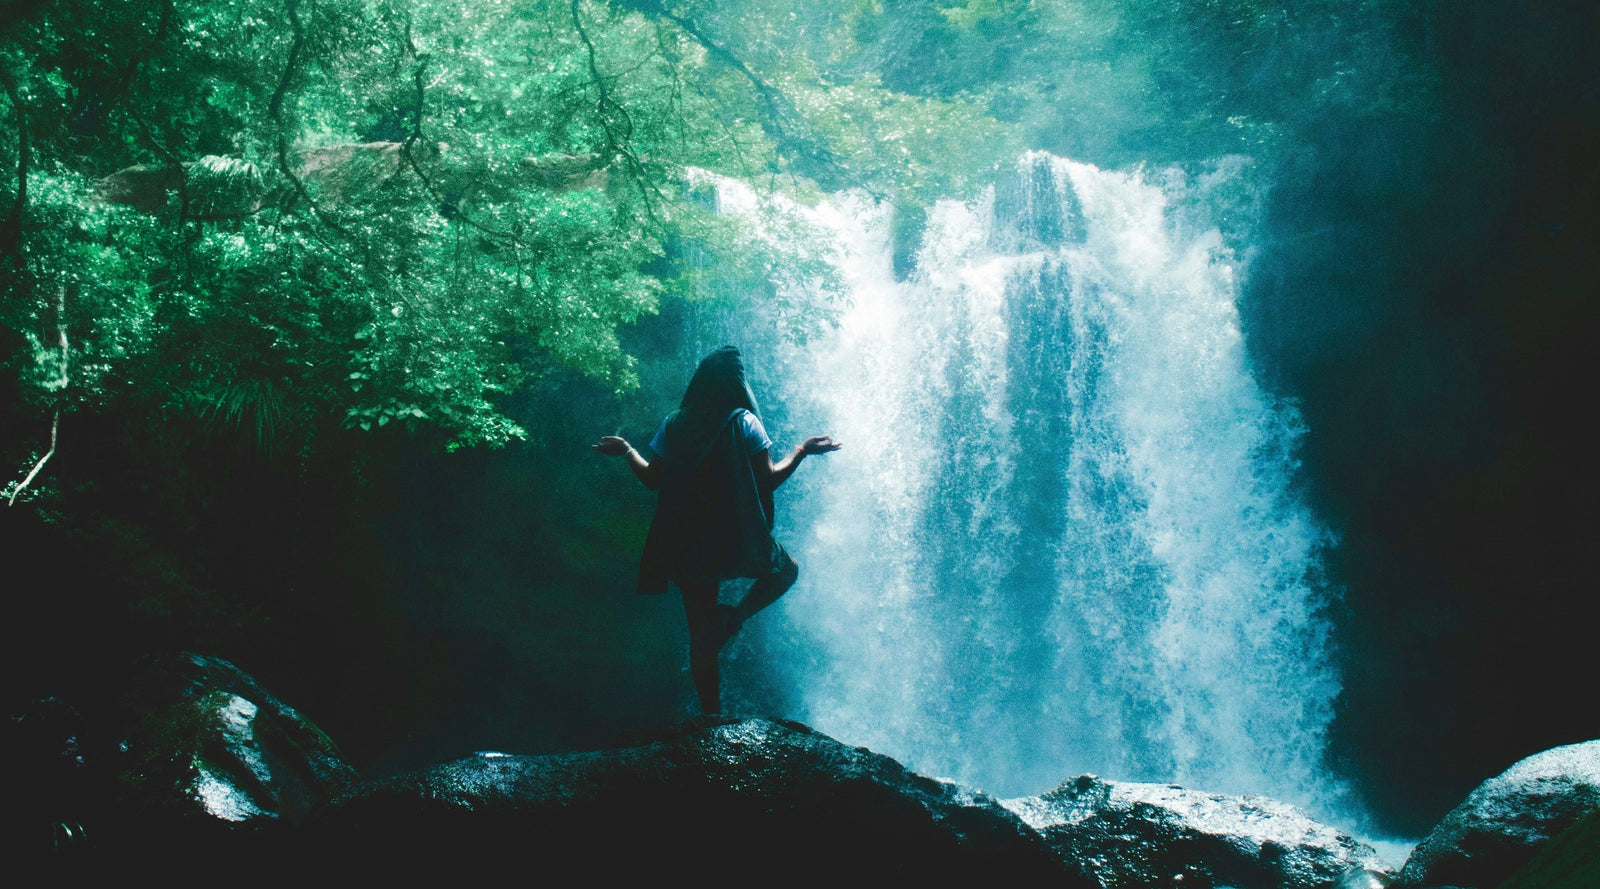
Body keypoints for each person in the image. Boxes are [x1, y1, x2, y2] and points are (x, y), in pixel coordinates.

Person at [593, 346, 840, 714]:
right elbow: (768, 480)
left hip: (686, 542)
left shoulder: (673, 423)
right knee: (786, 570)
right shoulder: (744, 422)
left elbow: (652, 480)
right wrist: (802, 450)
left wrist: (628, 450)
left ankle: (710, 717)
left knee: (700, 637)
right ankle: (734, 618)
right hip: (735, 537)